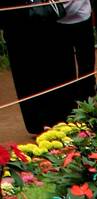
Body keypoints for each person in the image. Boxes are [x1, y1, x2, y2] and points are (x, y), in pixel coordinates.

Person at [0, 0, 75, 133]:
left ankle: (57, 117)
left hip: (44, 23)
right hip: (17, 26)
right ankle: (38, 121)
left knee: (51, 71)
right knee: (26, 76)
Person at [58, 0, 97, 111]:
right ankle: (71, 104)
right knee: (66, 66)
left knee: (86, 62)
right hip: (59, 20)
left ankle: (87, 99)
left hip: (81, 17)